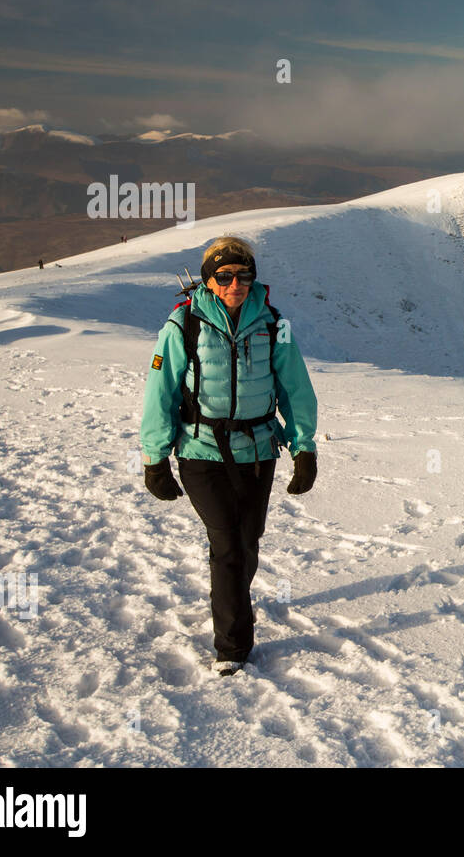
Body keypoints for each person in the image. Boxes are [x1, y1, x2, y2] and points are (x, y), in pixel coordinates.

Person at [139, 235, 318, 676]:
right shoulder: (183, 326)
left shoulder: (275, 324)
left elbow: (296, 389)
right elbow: (159, 393)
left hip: (258, 450)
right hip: (201, 450)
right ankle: (232, 648)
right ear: (209, 280)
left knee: (248, 538)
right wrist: (154, 458)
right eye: (225, 276)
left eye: (243, 275)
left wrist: (304, 447)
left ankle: (232, 599)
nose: (235, 283)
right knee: (227, 545)